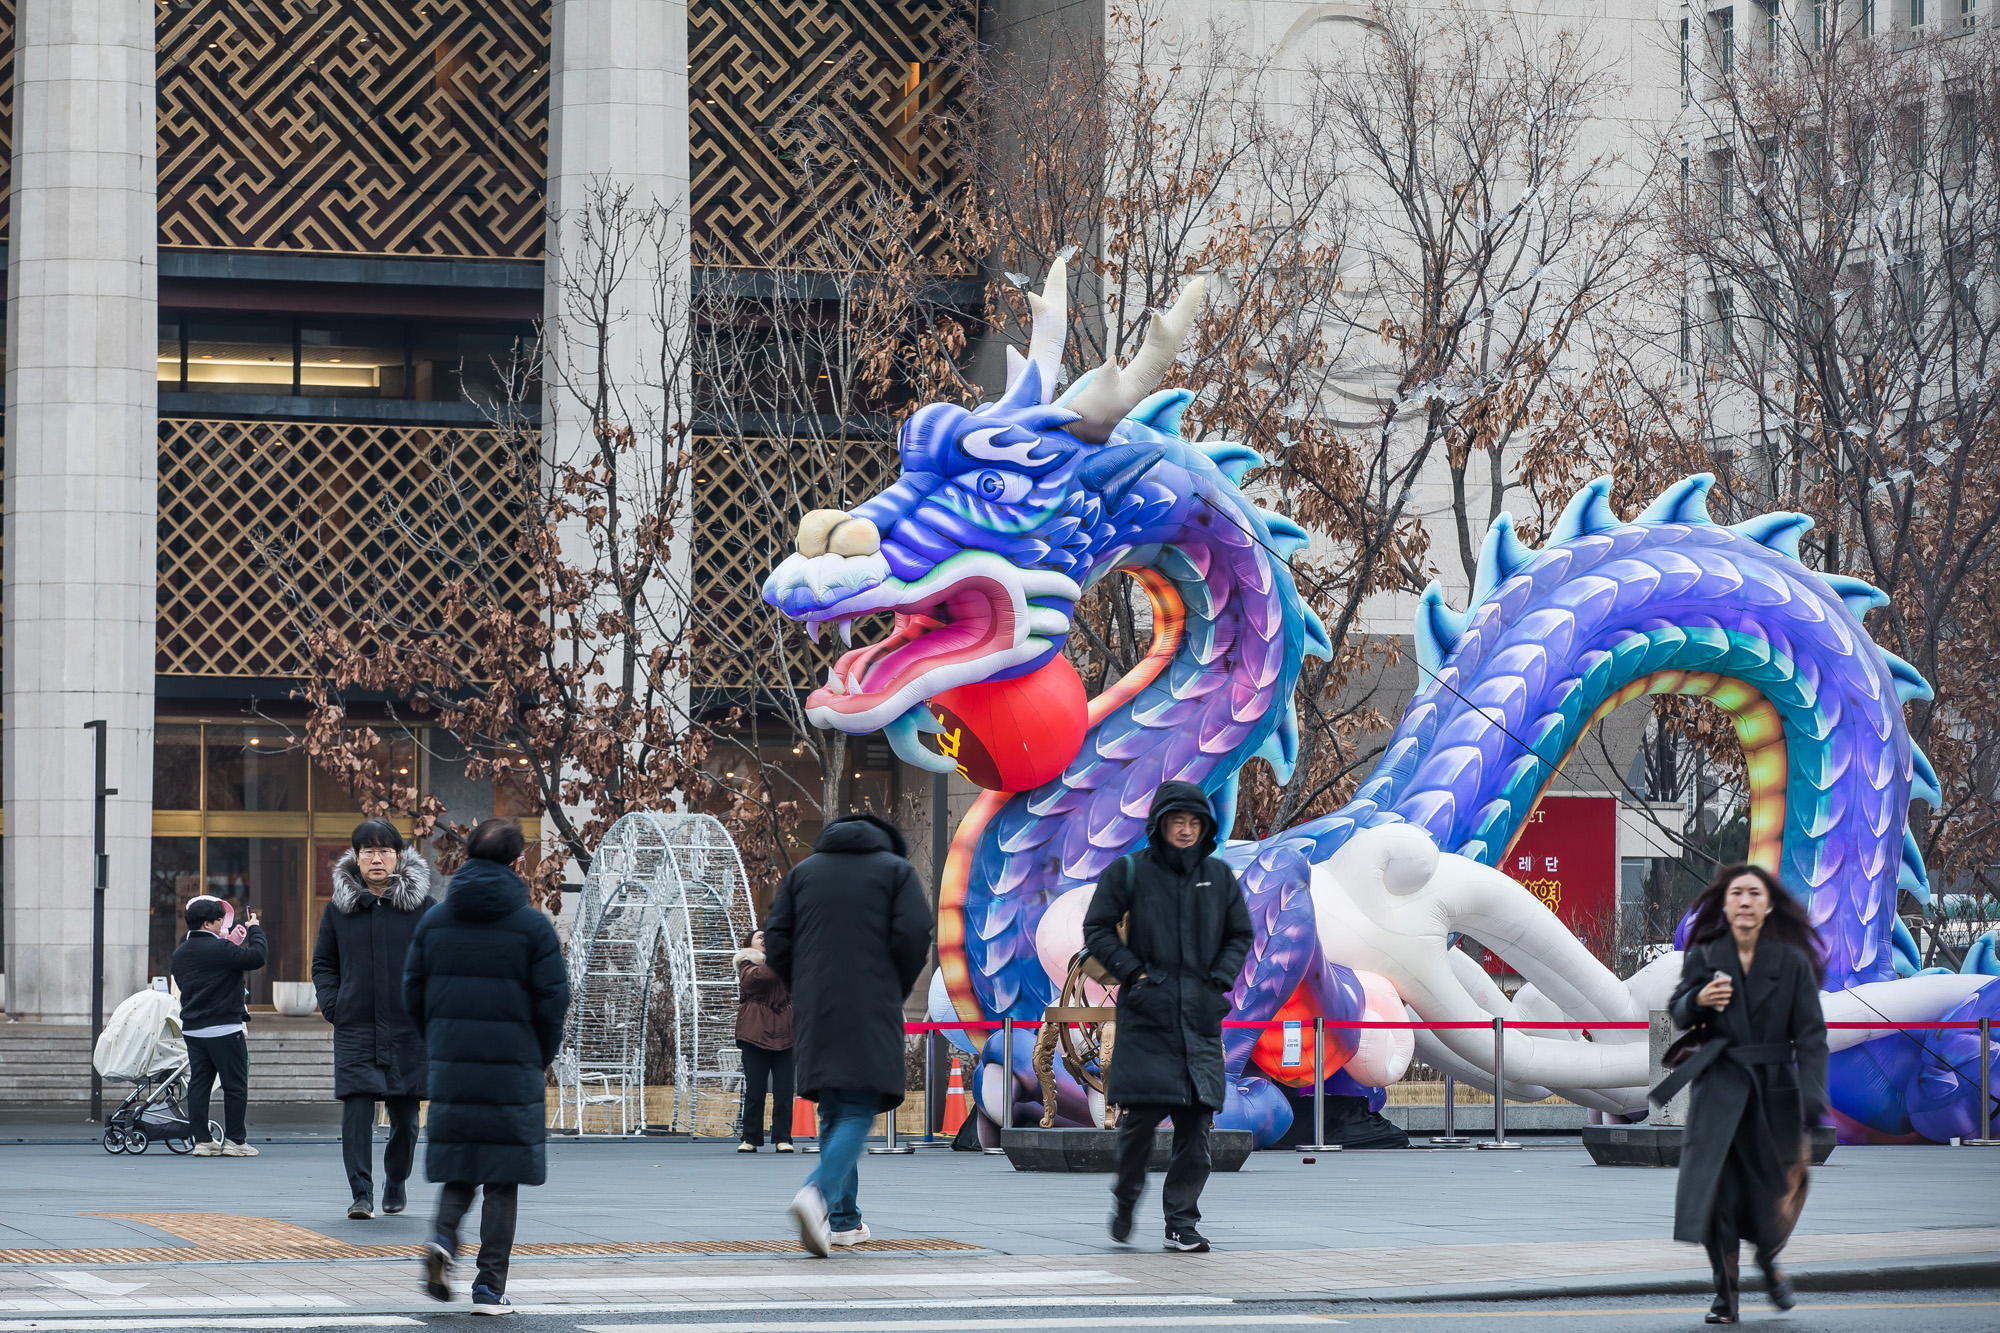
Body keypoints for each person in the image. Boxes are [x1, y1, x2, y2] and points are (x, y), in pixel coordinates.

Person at [404, 819, 568, 1316]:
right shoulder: (532, 926)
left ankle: (442, 1240)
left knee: (461, 1169)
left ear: (468, 855)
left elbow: (412, 991)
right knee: (501, 1179)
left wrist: (440, 1040)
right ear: (517, 862)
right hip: (512, 1067)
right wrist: (537, 1056)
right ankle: (489, 1289)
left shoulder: (435, 921)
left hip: (454, 1065)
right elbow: (553, 1003)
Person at [1083, 780, 1253, 1254]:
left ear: (1205, 827)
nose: (1186, 830)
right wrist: (1134, 973)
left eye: (1195, 822)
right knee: (1138, 1127)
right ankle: (1125, 1198)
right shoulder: (1129, 871)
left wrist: (1218, 980)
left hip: (1199, 1019)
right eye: (1177, 821)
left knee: (1196, 1129)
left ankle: (1181, 1222)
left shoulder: (1218, 876)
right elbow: (1097, 928)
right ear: (1160, 824)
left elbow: (1240, 934)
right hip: (1149, 1018)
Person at [1655, 864, 1828, 1324]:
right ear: (1726, 904)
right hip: (1720, 1090)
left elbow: (1811, 1036)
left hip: (1774, 1093)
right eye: (1737, 893)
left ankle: (1768, 1259)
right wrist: (1699, 1001)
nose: (1746, 901)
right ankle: (1725, 1298)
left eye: (1755, 893)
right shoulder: (1705, 956)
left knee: (1775, 1196)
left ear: (1768, 905)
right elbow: (1678, 1011)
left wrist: (1813, 1095)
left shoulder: (1791, 963)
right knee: (1719, 1198)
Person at [765, 813, 930, 1256]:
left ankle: (843, 1221)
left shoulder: (803, 872)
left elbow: (775, 936)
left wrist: (803, 983)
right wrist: (895, 984)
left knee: (836, 1108)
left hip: (816, 1005)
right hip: (870, 1001)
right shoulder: (896, 871)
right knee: (859, 1106)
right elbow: (915, 932)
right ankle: (817, 1194)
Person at [312, 819, 434, 1220]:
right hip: (356, 1026)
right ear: (357, 857)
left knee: (406, 1115)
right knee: (356, 1109)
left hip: (408, 1027)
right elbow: (323, 964)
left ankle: (395, 1179)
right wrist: (335, 1005)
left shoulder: (424, 908)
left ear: (398, 857)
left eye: (384, 851)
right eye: (368, 851)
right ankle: (361, 1193)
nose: (376, 859)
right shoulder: (338, 910)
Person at [171, 895, 268, 1157]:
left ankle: (202, 1141)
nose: (221, 926)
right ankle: (235, 1141)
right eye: (218, 921)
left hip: (193, 1029)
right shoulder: (220, 949)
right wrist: (255, 929)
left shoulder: (180, 953)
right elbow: (257, 957)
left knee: (199, 1085)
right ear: (207, 923)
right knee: (235, 1086)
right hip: (224, 1027)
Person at [734, 928, 795, 1153]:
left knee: (785, 1091)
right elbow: (759, 979)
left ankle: (783, 1138)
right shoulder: (747, 963)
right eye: (760, 937)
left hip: (786, 1033)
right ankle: (750, 1139)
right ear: (749, 944)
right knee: (755, 1090)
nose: (766, 939)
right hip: (755, 1034)